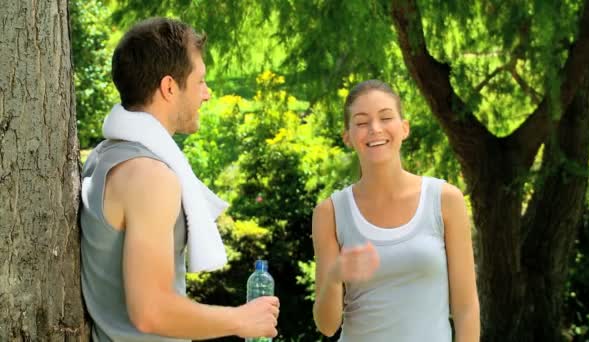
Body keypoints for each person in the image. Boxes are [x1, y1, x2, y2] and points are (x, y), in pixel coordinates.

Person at [80, 18, 279, 342]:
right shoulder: (150, 177)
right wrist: (240, 320)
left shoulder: (107, 155)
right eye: (200, 81)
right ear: (170, 87)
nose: (206, 93)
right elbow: (150, 311)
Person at [311, 80, 480, 341]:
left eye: (386, 117)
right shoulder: (330, 213)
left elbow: (466, 309)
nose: (375, 129)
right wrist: (334, 277)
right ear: (348, 137)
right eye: (362, 122)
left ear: (404, 128)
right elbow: (326, 325)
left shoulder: (445, 200)